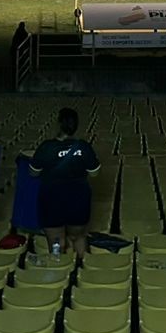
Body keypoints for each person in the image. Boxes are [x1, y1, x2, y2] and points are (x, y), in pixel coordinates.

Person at [29, 107, 101, 257]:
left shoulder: (46, 147)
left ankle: (58, 274)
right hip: (78, 198)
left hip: (51, 198)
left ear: (58, 124)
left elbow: (33, 172)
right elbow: (94, 173)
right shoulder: (84, 147)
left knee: (56, 242)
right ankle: (82, 270)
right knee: (79, 237)